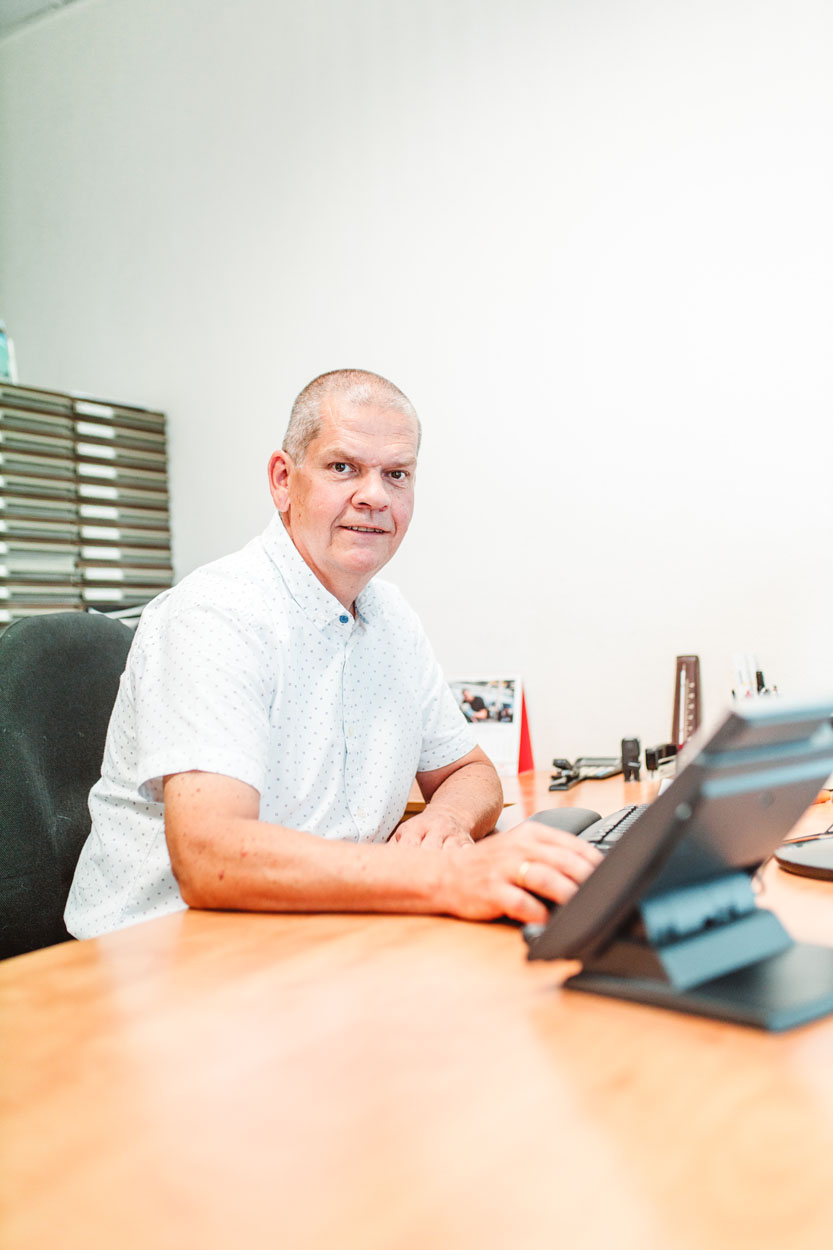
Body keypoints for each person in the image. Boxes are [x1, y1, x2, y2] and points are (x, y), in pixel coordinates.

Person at [65, 369, 600, 939]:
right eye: (343, 467)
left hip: (322, 929)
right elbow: (212, 859)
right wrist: (441, 876)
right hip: (162, 955)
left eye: (397, 474)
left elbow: (471, 772)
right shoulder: (217, 614)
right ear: (282, 480)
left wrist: (444, 822)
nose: (373, 496)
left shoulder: (390, 616)